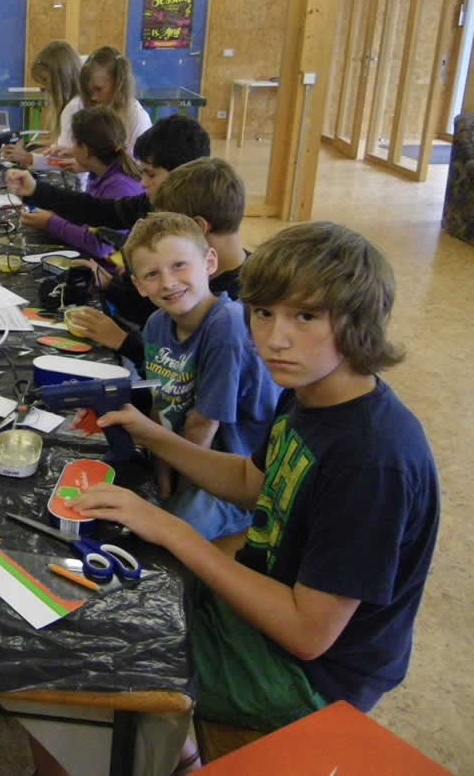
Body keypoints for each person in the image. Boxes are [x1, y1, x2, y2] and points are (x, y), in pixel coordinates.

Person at [67, 222, 440, 776]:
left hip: (308, 677)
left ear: (358, 322)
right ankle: (166, 751)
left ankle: (160, 753)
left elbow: (308, 635)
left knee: (88, 652)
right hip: (267, 608)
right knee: (103, 591)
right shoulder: (310, 391)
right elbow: (252, 479)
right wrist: (154, 435)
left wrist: (172, 530)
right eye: (263, 313)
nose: (274, 339)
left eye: (305, 317)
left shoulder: (372, 462)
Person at [119, 212, 279, 539]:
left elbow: (203, 426)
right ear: (139, 285)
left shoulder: (227, 325)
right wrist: (162, 486)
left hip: (238, 469)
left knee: (169, 532)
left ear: (209, 262)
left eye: (179, 265)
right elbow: (161, 408)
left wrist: (172, 501)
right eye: (152, 274)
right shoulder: (156, 325)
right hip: (184, 448)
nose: (168, 283)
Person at [66, 157, 249, 367]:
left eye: (168, 225)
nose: (168, 283)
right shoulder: (195, 279)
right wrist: (111, 286)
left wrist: (124, 343)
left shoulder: (239, 310)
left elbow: (185, 370)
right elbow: (152, 312)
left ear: (198, 227)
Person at [6, 114, 210, 234]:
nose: (143, 183)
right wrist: (35, 190)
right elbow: (96, 210)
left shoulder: (193, 231)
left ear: (181, 176)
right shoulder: (151, 205)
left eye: (151, 175)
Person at [18, 106, 145, 259]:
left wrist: (50, 223)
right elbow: (88, 215)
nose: (71, 149)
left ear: (85, 150)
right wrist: (58, 216)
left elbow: (102, 246)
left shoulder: (121, 187)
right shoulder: (100, 173)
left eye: (74, 143)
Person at [0, 40, 82, 168]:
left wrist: (28, 157)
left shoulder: (73, 107)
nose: (45, 88)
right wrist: (37, 150)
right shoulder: (77, 103)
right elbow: (64, 149)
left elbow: (62, 162)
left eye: (46, 80)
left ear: (61, 77)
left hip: (71, 178)